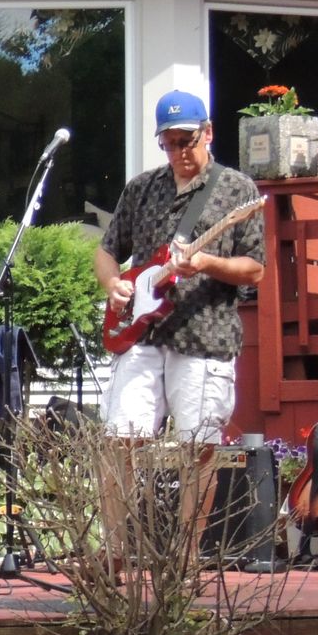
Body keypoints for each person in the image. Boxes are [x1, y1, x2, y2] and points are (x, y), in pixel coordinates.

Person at [95, 89, 266, 554]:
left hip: (203, 335)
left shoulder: (237, 190)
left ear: (208, 133)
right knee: (118, 440)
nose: (178, 152)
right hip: (143, 334)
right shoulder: (142, 188)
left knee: (198, 449)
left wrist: (206, 262)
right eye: (168, 143)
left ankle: (186, 560)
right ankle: (114, 553)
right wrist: (113, 284)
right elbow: (107, 251)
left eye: (185, 141)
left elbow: (255, 268)